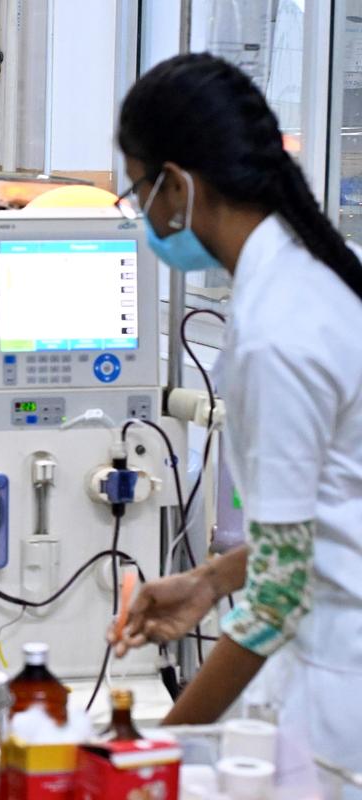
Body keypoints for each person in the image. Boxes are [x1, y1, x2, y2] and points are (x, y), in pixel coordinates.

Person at [109, 53, 362, 778]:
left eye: (139, 192)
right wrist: (213, 580)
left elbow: (280, 595)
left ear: (179, 187)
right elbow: (333, 514)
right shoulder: (323, 272)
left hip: (335, 698)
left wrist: (148, 757)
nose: (146, 218)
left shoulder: (280, 332)